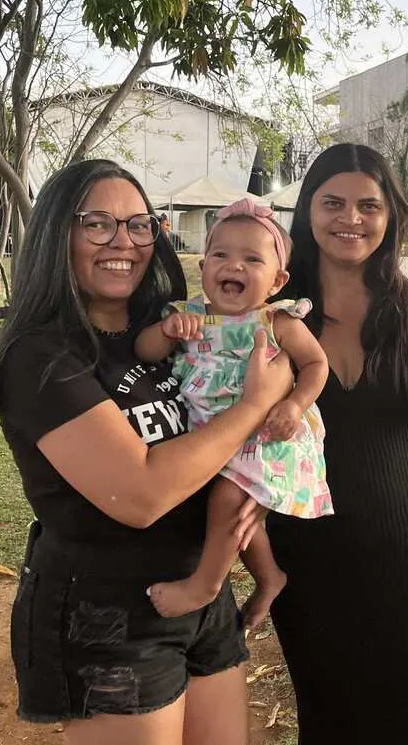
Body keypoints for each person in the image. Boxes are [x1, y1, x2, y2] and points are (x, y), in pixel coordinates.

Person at [0, 158, 294, 744]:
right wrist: (255, 407)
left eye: (139, 224)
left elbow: (267, 293)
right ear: (56, 235)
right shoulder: (43, 358)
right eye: (97, 224)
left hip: (201, 589)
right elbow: (140, 494)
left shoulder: (170, 327)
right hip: (111, 614)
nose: (123, 241)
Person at [267, 143, 408, 744]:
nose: (350, 219)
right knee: (331, 726)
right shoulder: (272, 322)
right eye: (332, 202)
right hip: (310, 573)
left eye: (369, 204)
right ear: (307, 211)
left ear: (391, 216)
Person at [135, 198, 331, 630]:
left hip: (268, 433)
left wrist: (294, 404)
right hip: (214, 435)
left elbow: (318, 365)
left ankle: (204, 585)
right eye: (221, 255)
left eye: (251, 258)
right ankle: (269, 577)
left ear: (277, 281)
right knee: (230, 507)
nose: (234, 266)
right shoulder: (189, 316)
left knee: (227, 498)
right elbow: (143, 350)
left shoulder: (276, 321)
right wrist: (167, 332)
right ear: (204, 267)